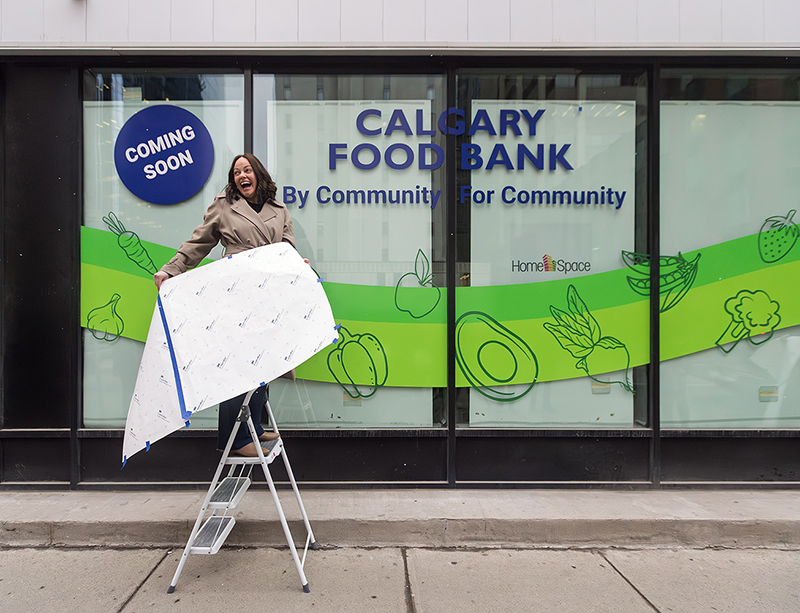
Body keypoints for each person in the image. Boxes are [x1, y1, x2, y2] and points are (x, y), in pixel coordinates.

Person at [154, 153, 298, 456]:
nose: (241, 176)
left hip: (269, 294)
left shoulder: (279, 209)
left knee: (264, 359)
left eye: (247, 170)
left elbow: (288, 248)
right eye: (236, 172)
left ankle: (255, 425)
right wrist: (171, 269)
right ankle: (236, 439)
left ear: (258, 174)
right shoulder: (224, 206)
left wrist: (297, 265)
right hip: (237, 292)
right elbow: (199, 242)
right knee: (238, 364)